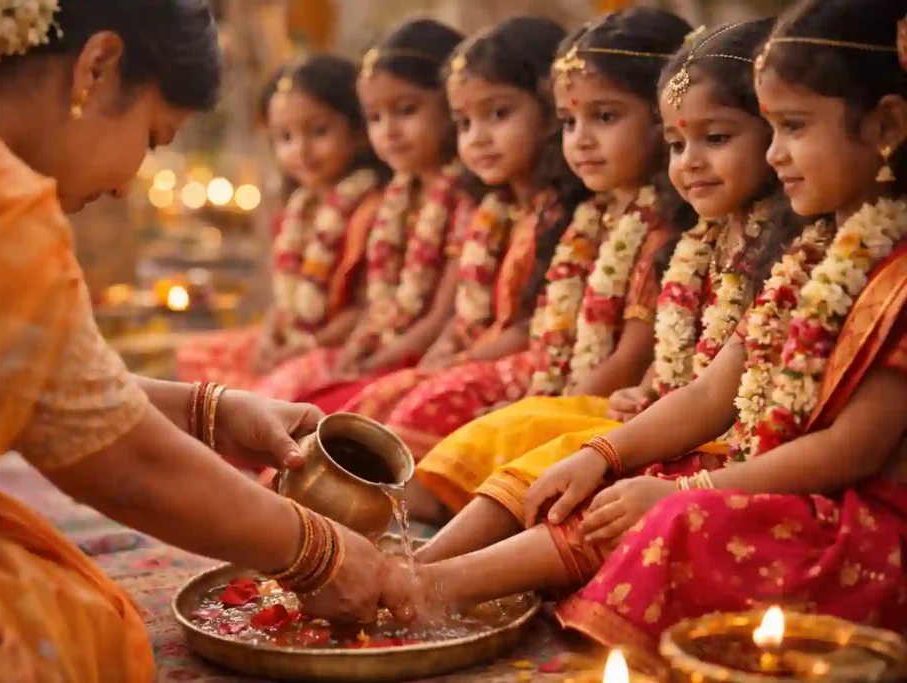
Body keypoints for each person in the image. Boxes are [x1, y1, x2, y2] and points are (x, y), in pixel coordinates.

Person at [0, 2, 407, 680]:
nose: (130, 181)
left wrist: (206, 411)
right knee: (78, 622)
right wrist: (317, 553)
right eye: (155, 136)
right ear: (96, 68)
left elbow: (20, 376)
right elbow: (123, 464)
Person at [405, 0, 907, 672]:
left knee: (671, 516)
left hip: (859, 523)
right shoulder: (812, 252)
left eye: (790, 127)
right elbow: (711, 393)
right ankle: (418, 581)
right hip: (769, 470)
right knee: (594, 469)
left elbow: (853, 449)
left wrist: (680, 492)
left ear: (887, 125)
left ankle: (423, 588)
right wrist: (605, 453)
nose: (776, 150)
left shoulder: (892, 271)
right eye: (771, 127)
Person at [410, 18, 797, 553]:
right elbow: (674, 369)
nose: (690, 162)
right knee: (495, 419)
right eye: (569, 122)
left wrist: (627, 396)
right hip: (648, 412)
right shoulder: (680, 233)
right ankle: (407, 551)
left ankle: (419, 568)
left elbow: (680, 376)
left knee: (533, 431)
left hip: (703, 437)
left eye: (717, 137)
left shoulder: (731, 240)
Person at [383, 7, 696, 520]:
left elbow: (626, 362)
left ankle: (407, 535)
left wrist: (541, 404)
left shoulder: (660, 228)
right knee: (411, 401)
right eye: (570, 121)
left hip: (610, 404)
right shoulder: (586, 218)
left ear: (660, 121)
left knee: (456, 417)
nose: (581, 139)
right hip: (562, 383)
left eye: (605, 117)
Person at [341, 16, 613, 462]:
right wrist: (445, 353)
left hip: (540, 370)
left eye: (499, 114)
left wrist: (460, 361)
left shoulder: (570, 213)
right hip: (483, 355)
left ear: (547, 113)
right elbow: (457, 313)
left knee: (410, 408)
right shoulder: (499, 208)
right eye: (464, 122)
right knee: (374, 403)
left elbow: (530, 327)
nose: (477, 138)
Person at [268, 19, 471, 410]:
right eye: (375, 117)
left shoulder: (464, 199)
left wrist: (375, 358)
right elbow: (378, 302)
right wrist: (363, 344)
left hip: (424, 353)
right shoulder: (400, 198)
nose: (389, 130)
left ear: (450, 105)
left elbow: (441, 315)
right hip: (384, 346)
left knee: (307, 405)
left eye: (406, 110)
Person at [175, 55, 387, 397]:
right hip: (294, 339)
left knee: (271, 392)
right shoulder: (297, 209)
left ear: (358, 130)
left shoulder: (373, 209)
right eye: (285, 137)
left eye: (318, 131)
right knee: (195, 356)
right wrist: (267, 338)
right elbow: (286, 296)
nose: (301, 150)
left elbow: (368, 307)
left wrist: (308, 346)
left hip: (340, 344)